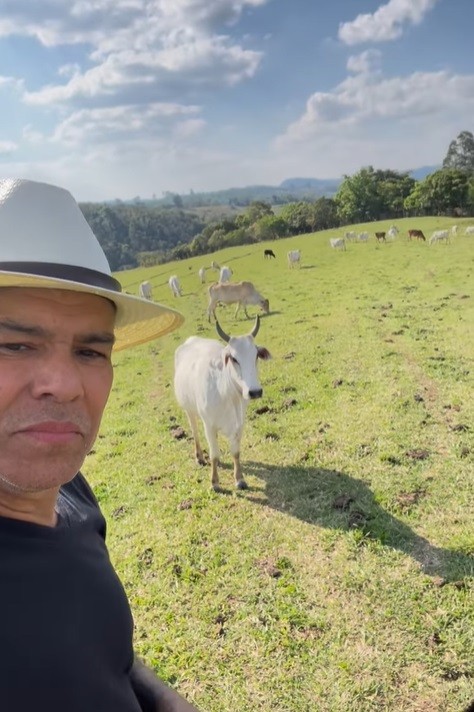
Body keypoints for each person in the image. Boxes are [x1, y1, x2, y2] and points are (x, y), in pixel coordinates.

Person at [0, 178, 199, 711]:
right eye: (15, 345)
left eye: (90, 353)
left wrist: (165, 701)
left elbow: (108, 654)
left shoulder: (69, 492)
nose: (64, 385)